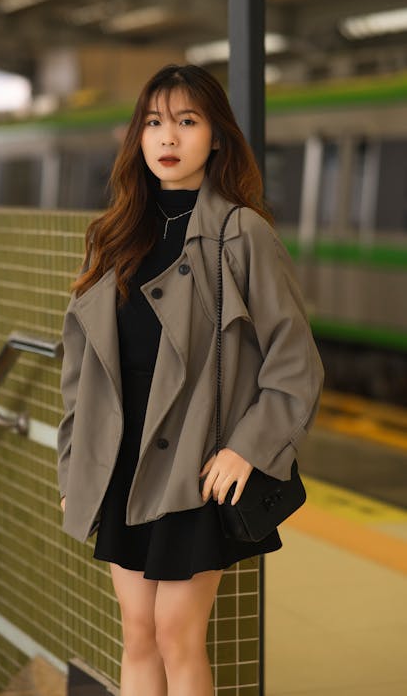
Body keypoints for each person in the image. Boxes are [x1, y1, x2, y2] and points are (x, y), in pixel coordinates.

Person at [57, 64, 324, 696]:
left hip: (194, 466)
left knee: (178, 636)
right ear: (138, 138)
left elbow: (296, 362)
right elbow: (80, 374)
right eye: (153, 122)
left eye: (186, 121)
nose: (167, 136)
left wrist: (247, 449)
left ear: (216, 138)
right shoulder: (114, 235)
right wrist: (75, 464)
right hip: (122, 462)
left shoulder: (241, 233)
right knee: (139, 634)